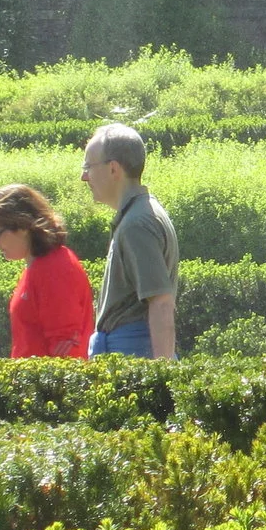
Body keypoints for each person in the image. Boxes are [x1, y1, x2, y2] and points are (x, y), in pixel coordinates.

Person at [81, 122, 178, 359]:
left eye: (88, 166)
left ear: (113, 169)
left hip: (133, 356)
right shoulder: (138, 214)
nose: (84, 176)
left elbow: (161, 303)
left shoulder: (137, 223)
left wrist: (163, 375)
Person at [0, 183, 93, 359]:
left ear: (23, 227)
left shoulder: (54, 269)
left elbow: (67, 350)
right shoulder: (38, 265)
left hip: (46, 384)